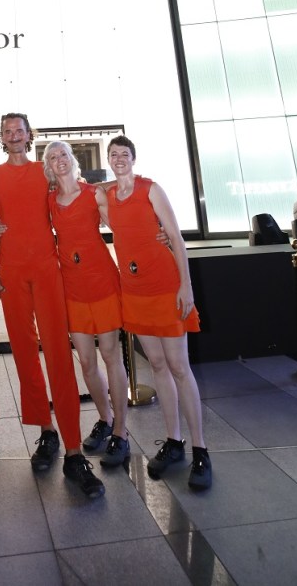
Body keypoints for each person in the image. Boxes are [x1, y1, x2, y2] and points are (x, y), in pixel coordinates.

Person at [0, 112, 104, 499]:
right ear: (1, 137)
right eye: (8, 131)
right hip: (12, 272)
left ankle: (72, 451)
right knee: (23, 354)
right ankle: (46, 432)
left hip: (48, 270)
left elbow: (81, 192)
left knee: (57, 354)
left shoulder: (46, 170)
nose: (15, 135)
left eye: (20, 130)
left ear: (29, 135)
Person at [106, 135, 212, 490]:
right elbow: (81, 188)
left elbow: (176, 238)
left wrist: (187, 286)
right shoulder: (107, 198)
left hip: (166, 289)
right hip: (134, 293)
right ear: (108, 160)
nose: (119, 159)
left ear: (134, 159)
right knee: (159, 366)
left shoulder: (151, 189)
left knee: (180, 367)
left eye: (125, 154)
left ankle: (201, 450)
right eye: (114, 154)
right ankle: (174, 441)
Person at [42, 141, 129, 467]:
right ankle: (105, 420)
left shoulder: (93, 193)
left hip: (102, 282)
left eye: (63, 154)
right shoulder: (50, 201)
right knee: (86, 362)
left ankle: (121, 432)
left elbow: (123, 226)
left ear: (71, 159)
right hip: (72, 289)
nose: (59, 160)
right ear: (48, 165)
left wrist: (157, 234)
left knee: (110, 356)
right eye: (52, 157)